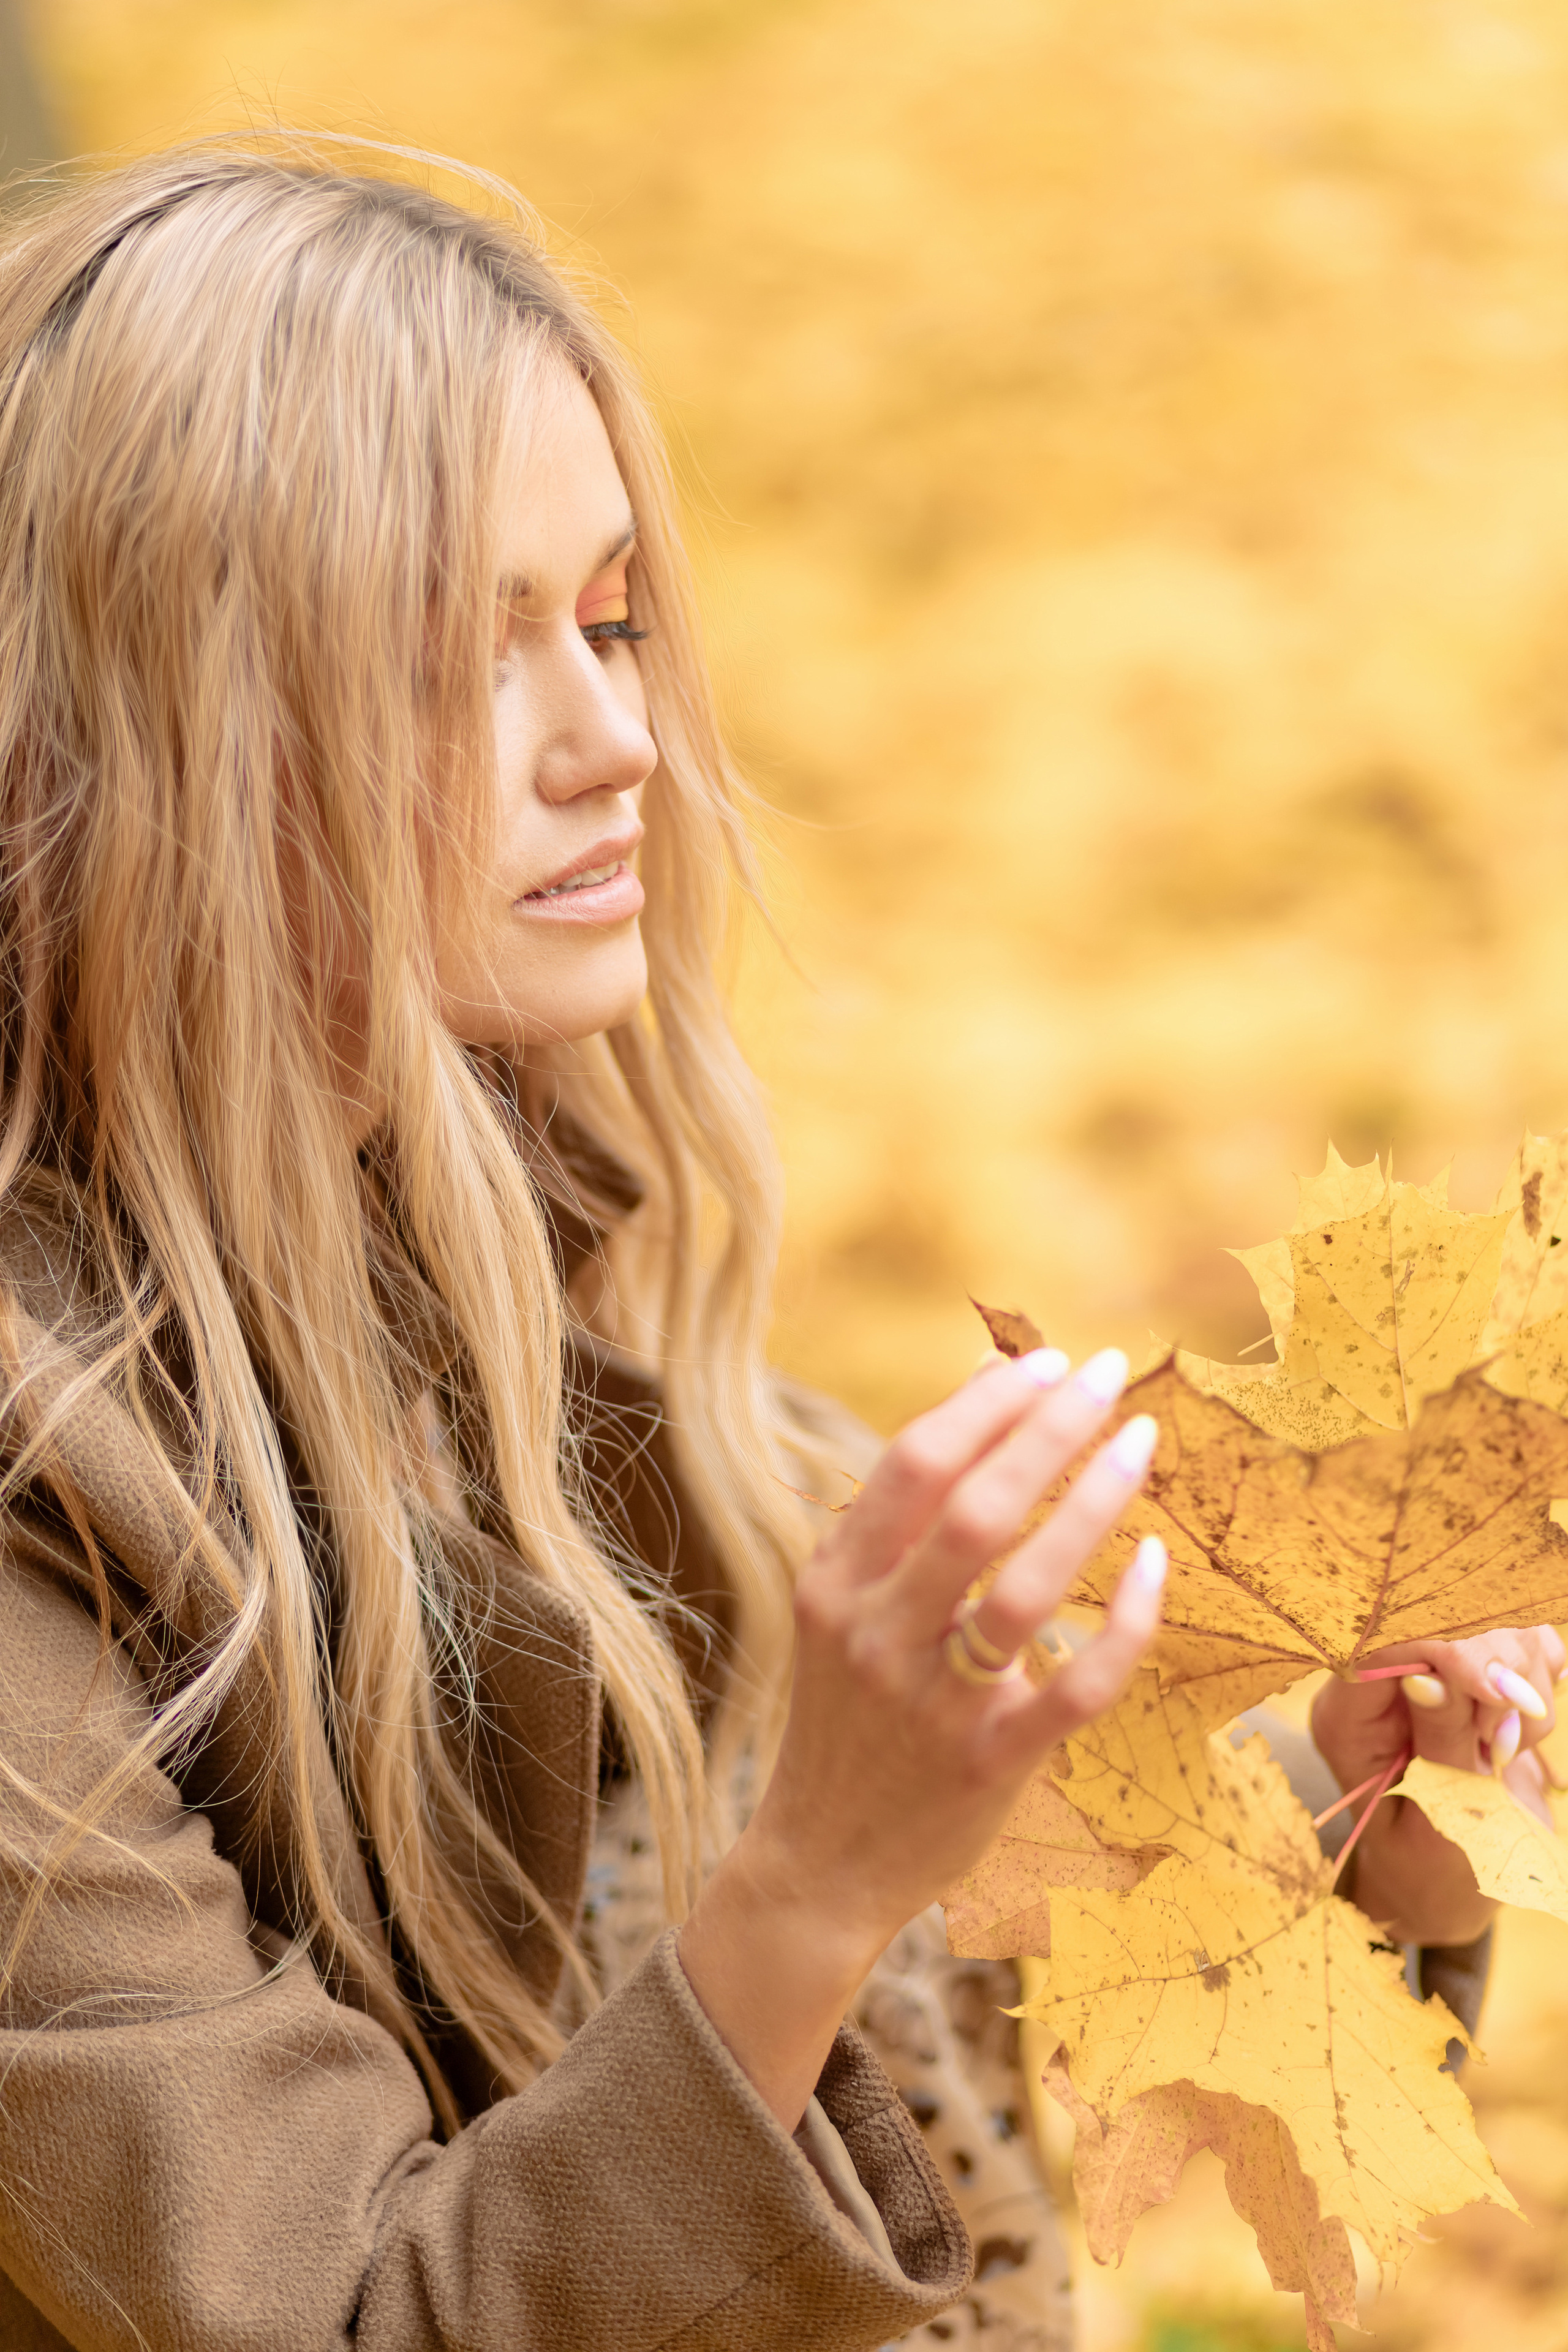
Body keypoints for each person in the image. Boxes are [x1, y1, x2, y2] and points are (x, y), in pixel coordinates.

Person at [0, 141, 1555, 2352]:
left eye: (612, 618)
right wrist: (815, 1879)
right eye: (455, 656)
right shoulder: (38, 1546)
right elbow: (343, 2313)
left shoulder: (503, 1270)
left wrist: (1354, 1817)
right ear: (154, 746)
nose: (617, 739)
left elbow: (932, 1910)